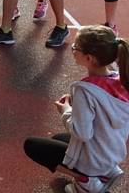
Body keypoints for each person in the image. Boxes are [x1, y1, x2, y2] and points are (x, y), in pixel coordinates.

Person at [24, 25, 129, 193]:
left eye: (76, 48)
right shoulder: (121, 77)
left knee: (31, 145)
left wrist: (66, 111)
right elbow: (105, 108)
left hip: (94, 160)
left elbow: (82, 134)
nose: (72, 49)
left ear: (89, 58)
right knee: (59, 138)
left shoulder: (84, 90)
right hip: (112, 152)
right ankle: (107, 171)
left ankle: (86, 182)